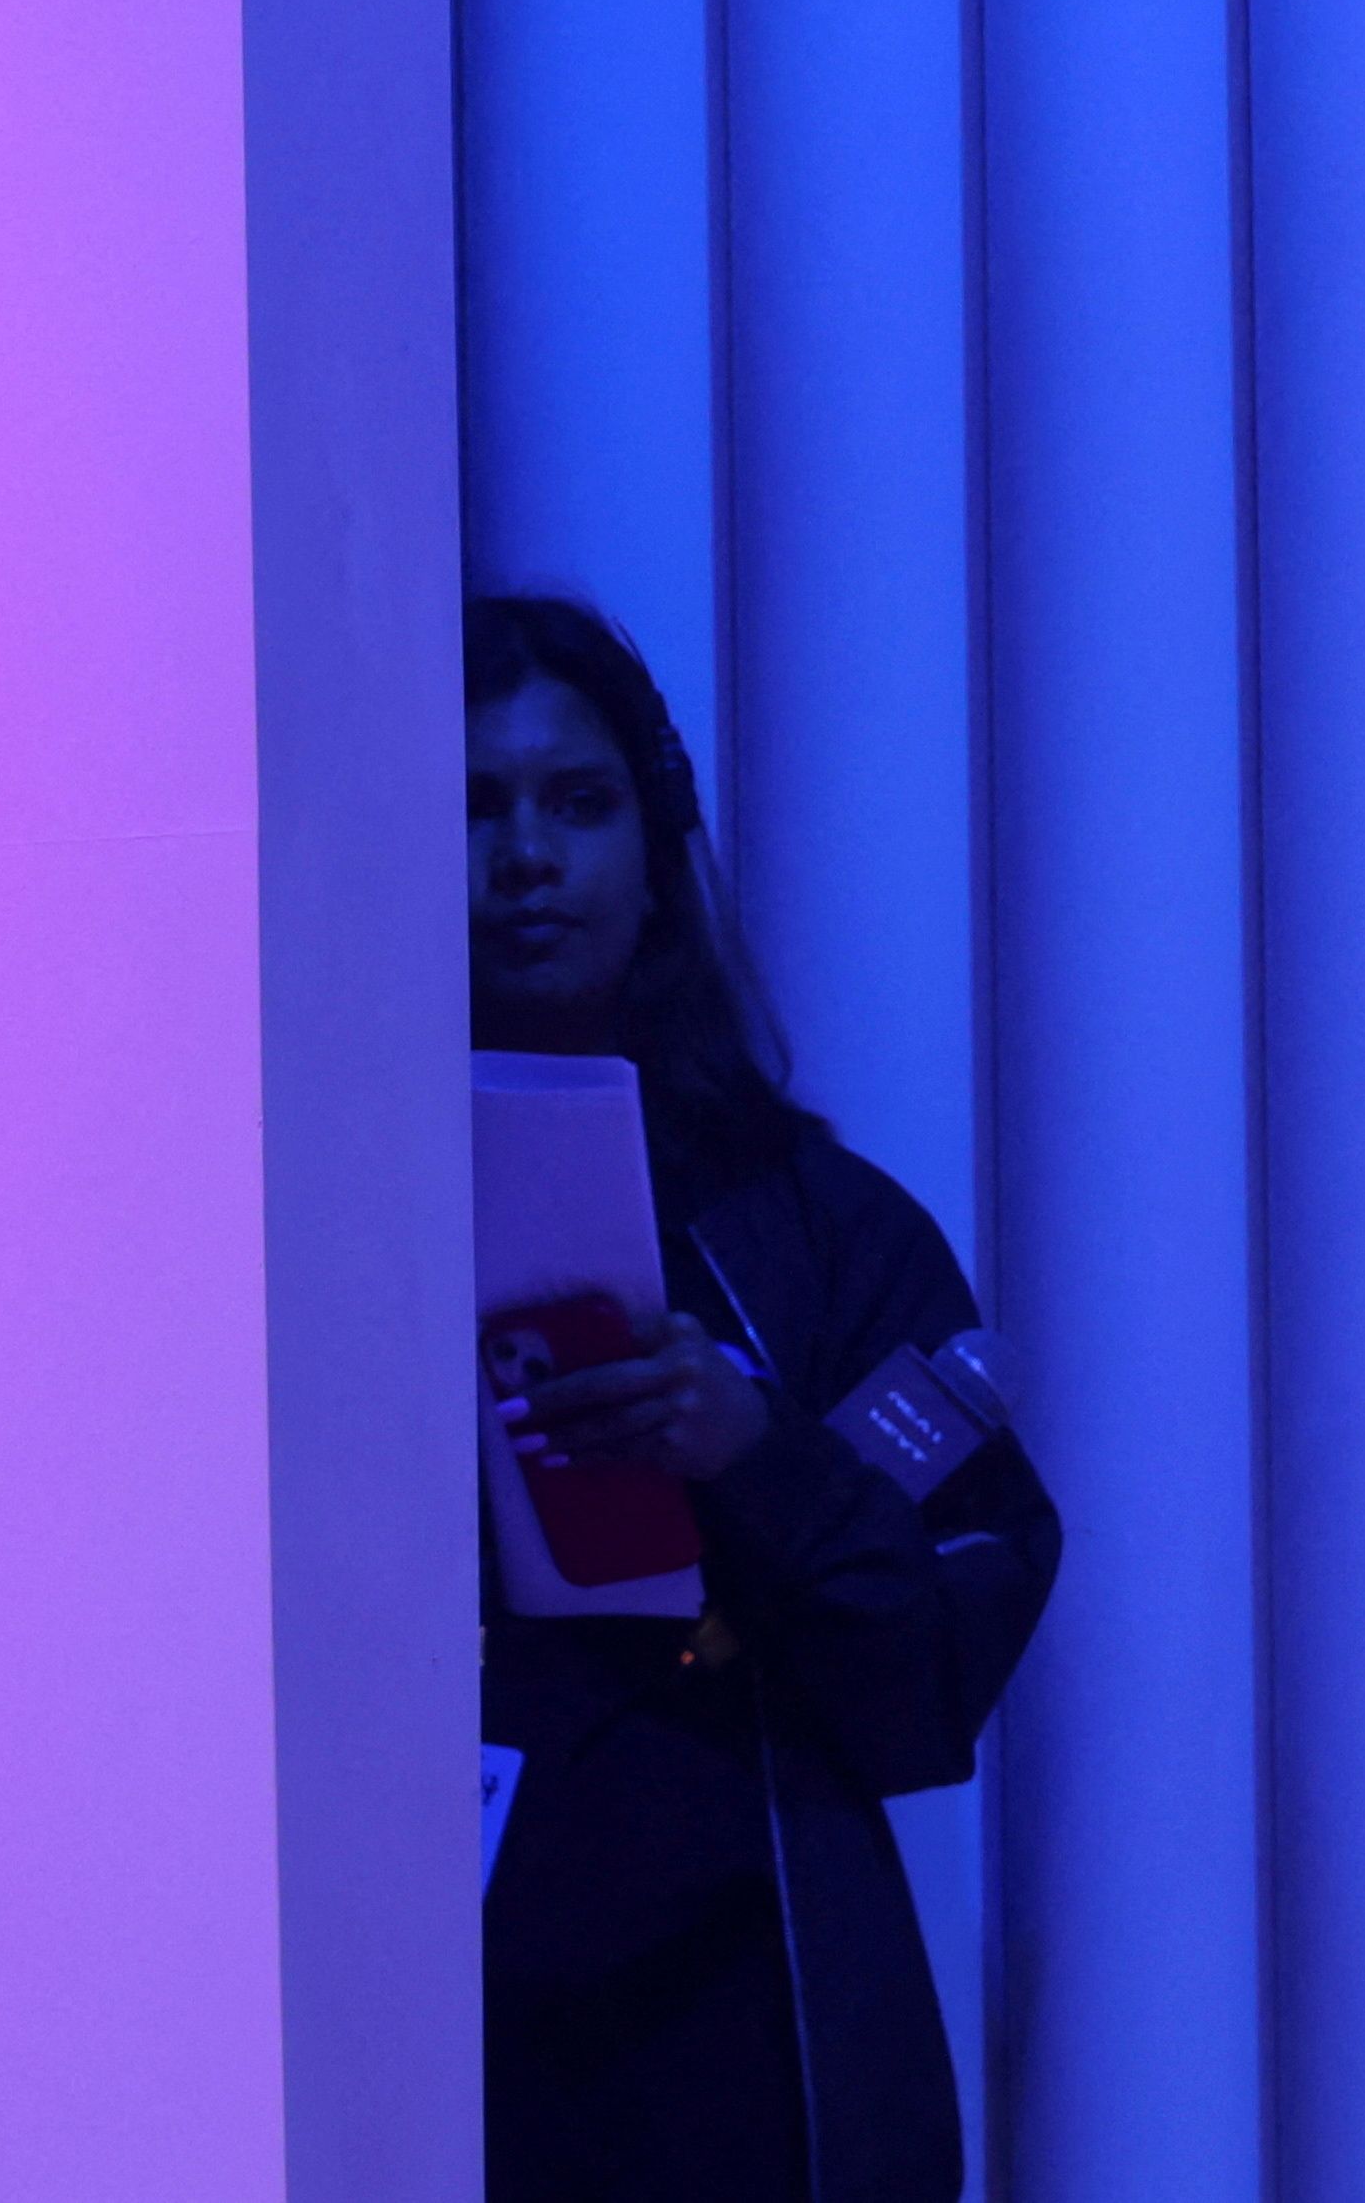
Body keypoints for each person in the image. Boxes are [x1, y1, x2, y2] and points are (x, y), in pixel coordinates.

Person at [470, 595, 1059, 2203]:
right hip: (404, 1985)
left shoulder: (819, 1227)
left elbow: (935, 1674)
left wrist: (752, 1451)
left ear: (658, 852)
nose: (524, 854)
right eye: (474, 806)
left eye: (577, 803)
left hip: (744, 2009)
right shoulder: (292, 1221)